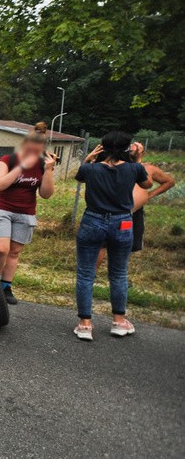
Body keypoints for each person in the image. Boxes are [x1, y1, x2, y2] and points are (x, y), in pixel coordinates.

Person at [73, 131, 152, 341]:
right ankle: (118, 321)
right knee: (118, 273)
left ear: (102, 147)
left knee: (85, 274)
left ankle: (85, 324)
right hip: (122, 222)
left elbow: (79, 176)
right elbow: (147, 185)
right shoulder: (134, 169)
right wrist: (138, 159)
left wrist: (89, 158)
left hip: (92, 219)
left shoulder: (90, 169)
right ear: (127, 150)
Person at [0, 123, 57, 304]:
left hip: (25, 212)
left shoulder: (43, 165)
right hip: (1, 207)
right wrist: (22, 167)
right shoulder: (8, 159)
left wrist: (48, 170)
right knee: (1, 249)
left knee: (14, 252)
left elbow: (46, 194)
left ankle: (5, 287)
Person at [86, 141, 176, 267]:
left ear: (143, 152)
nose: (134, 149)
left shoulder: (148, 168)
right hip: (111, 210)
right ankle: (92, 273)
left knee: (123, 246)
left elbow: (169, 182)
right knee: (101, 244)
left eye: (137, 148)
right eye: (131, 147)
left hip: (132, 214)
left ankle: (117, 274)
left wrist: (149, 196)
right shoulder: (116, 165)